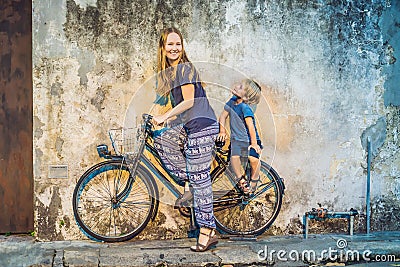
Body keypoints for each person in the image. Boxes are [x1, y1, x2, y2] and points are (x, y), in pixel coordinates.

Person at [152, 27, 219, 252]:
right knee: (161, 139)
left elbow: (190, 101)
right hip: (192, 126)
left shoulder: (185, 69)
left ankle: (207, 231)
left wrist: (164, 115)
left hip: (203, 127)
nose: (174, 48)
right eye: (170, 44)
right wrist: (164, 122)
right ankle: (189, 182)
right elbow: (183, 111)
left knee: (201, 182)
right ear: (163, 48)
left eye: (177, 44)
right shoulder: (171, 74)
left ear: (183, 46)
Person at [217, 79, 263, 195]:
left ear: (246, 97)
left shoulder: (245, 108)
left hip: (250, 140)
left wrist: (253, 144)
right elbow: (223, 116)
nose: (237, 86)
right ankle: (240, 180)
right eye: (239, 84)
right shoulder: (232, 101)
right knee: (234, 158)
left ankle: (254, 180)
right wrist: (222, 131)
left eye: (241, 87)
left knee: (253, 159)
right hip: (237, 140)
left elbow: (251, 127)